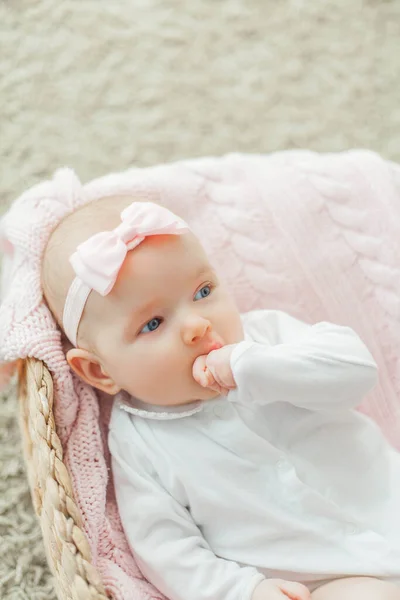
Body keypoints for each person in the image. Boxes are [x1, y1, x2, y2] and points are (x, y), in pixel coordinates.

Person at [41, 193, 400, 600]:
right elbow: (166, 551)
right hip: (326, 577)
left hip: (389, 500)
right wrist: (244, 590)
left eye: (203, 291)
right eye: (153, 323)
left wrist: (254, 366)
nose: (197, 324)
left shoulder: (268, 337)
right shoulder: (138, 442)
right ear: (100, 371)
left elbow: (354, 371)